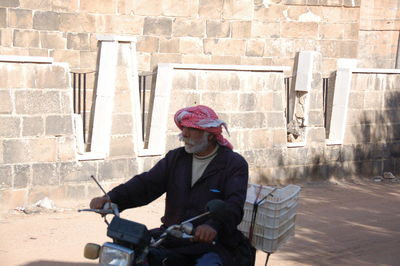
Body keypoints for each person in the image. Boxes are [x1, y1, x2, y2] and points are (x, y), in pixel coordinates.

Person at [90, 105, 249, 266]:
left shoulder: (233, 164)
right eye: (183, 128)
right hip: (171, 237)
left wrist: (213, 226)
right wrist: (111, 198)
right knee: (132, 255)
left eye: (192, 129)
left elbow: (234, 203)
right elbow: (146, 184)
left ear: (209, 135)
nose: (184, 134)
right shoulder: (176, 158)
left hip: (212, 244)